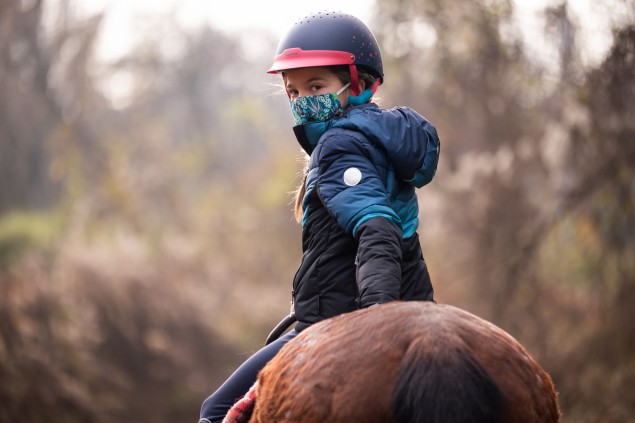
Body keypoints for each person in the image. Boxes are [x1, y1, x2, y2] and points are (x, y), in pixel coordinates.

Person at [199, 11, 439, 423]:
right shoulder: (375, 141)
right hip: (420, 308)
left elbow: (377, 228)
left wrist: (379, 319)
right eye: (292, 91)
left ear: (360, 84)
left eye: (316, 85)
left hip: (339, 317)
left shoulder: (339, 145)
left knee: (215, 410)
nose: (302, 101)